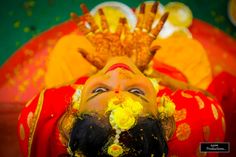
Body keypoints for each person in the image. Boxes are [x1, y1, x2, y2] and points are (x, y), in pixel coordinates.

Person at [17, 2, 225, 157]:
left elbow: (48, 97)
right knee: (191, 51)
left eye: (99, 91)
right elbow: (210, 102)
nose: (118, 73)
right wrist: (150, 71)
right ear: (163, 116)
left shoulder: (43, 126)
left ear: (73, 111)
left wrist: (99, 69)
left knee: (68, 47)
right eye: (136, 92)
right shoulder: (198, 132)